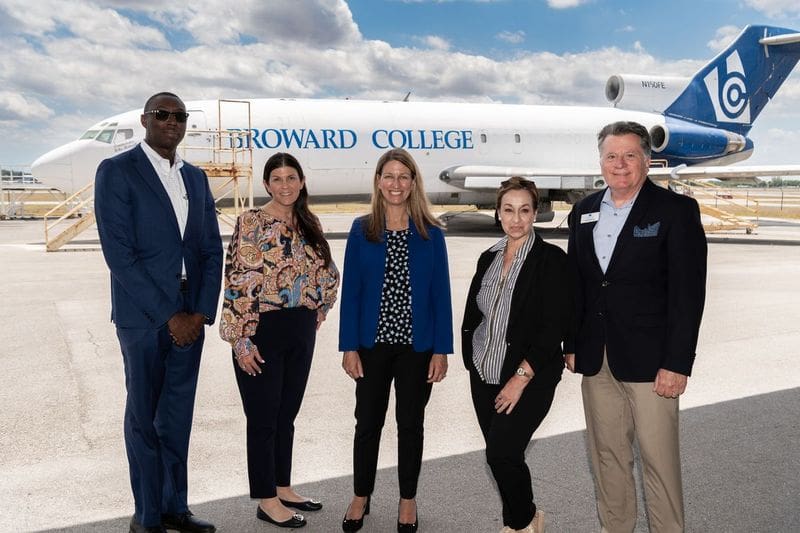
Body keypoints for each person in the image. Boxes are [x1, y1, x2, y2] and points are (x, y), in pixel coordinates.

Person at [565, 121, 707, 533]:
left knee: (658, 461)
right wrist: (572, 342)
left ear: (647, 160)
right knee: (606, 456)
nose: (620, 164)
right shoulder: (583, 210)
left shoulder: (675, 211)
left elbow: (688, 293)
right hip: (597, 359)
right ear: (601, 161)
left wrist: (678, 362)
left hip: (653, 362)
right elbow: (578, 282)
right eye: (612, 156)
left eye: (630, 155)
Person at [94, 92, 222, 533]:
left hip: (191, 313)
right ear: (145, 120)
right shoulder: (116, 172)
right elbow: (119, 254)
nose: (172, 121)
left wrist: (201, 312)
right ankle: (146, 516)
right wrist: (171, 315)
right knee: (144, 417)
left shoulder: (196, 177)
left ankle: (174, 508)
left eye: (179, 115)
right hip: (144, 317)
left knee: (177, 417)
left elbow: (210, 248)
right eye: (163, 114)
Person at [219, 152, 339, 529]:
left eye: (292, 178)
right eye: (277, 179)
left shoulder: (309, 221)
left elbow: (327, 270)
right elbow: (238, 279)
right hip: (262, 330)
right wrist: (240, 339)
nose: (285, 185)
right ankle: (265, 499)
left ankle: (282, 485)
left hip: (301, 329)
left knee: (287, 415)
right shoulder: (252, 222)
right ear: (267, 184)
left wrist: (322, 305)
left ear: (301, 182)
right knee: (263, 418)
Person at [339, 148, 453, 533]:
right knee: (366, 423)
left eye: (404, 177)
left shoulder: (431, 233)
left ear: (413, 183)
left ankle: (408, 499)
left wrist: (441, 349)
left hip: (416, 348)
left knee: (410, 424)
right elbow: (351, 291)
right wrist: (348, 346)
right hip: (371, 346)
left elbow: (441, 294)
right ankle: (361, 495)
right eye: (389, 176)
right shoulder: (361, 229)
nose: (396, 184)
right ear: (378, 182)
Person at [461, 177, 572, 533]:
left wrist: (519, 380)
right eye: (508, 210)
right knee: (502, 457)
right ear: (498, 212)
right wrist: (471, 360)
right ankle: (517, 522)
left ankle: (525, 522)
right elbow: (476, 313)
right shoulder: (488, 257)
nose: (517, 219)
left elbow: (552, 327)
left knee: (501, 453)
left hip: (529, 376)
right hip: (484, 372)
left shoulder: (550, 260)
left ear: (535, 213)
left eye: (525, 210)